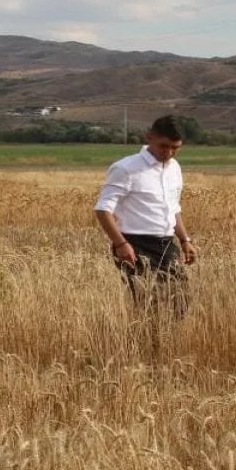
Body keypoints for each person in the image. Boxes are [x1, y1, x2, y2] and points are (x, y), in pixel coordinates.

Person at [94, 116, 199, 346]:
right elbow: (103, 209)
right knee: (149, 303)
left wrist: (184, 240)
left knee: (180, 301)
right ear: (149, 137)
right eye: (164, 146)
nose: (169, 153)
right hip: (134, 244)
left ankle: (162, 347)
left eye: (175, 148)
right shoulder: (126, 168)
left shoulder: (174, 169)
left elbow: (174, 208)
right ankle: (141, 350)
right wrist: (121, 244)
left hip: (166, 244)